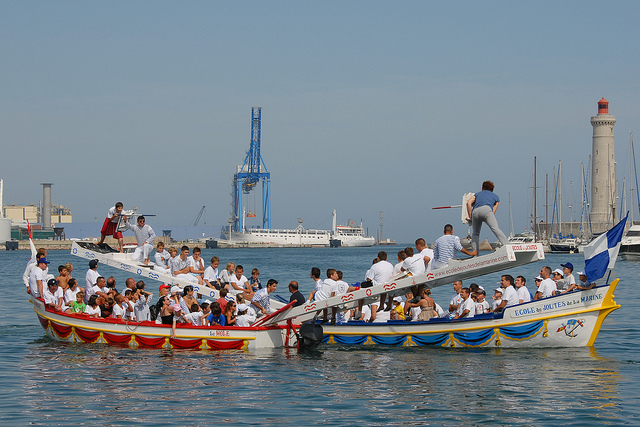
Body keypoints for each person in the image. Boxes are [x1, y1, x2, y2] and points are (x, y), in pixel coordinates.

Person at [466, 180, 509, 253]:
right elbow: (493, 211)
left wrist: (470, 215)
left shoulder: (477, 194)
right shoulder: (495, 197)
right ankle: (507, 245)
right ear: (492, 190)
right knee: (495, 229)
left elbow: (468, 203)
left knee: (475, 233)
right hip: (487, 210)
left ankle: (475, 253)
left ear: (483, 188)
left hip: (475, 212)